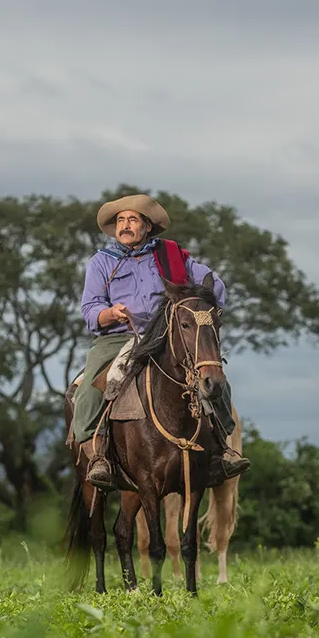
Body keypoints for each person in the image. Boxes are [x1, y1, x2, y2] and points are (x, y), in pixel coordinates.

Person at [72, 193, 250, 490]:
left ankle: (223, 448)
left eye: (132, 220)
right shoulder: (101, 263)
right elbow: (89, 309)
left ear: (147, 226)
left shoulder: (173, 255)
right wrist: (110, 313)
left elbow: (213, 285)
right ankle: (98, 454)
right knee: (90, 387)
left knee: (215, 377)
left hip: (169, 336)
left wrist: (205, 313)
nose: (125, 225)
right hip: (119, 337)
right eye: (120, 221)